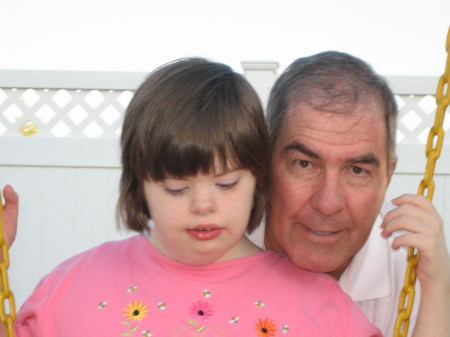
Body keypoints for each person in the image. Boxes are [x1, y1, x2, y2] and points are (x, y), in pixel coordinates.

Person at [0, 58, 382, 336]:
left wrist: (437, 287)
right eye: (176, 188)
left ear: (257, 178)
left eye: (227, 184)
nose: (203, 206)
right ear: (141, 183)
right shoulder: (71, 286)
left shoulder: (320, 306)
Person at [263, 51, 450, 337]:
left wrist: (438, 288)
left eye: (357, 170)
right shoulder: (206, 239)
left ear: (387, 177)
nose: (327, 203)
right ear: (264, 163)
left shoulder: (413, 268)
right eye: (305, 164)